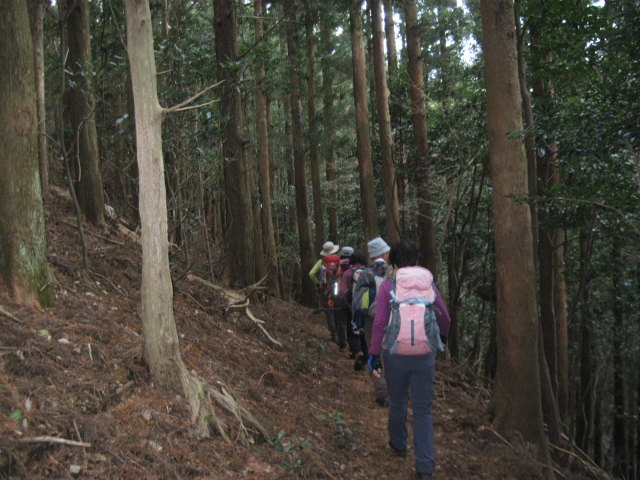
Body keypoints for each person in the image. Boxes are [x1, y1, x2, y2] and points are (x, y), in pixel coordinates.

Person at [369, 239, 451, 480]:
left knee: (397, 401)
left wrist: (374, 355)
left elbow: (379, 323)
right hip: (424, 356)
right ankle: (425, 466)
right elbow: (445, 318)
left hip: (394, 355)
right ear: (417, 261)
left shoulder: (388, 288)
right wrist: (442, 340)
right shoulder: (429, 287)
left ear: (393, 262)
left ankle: (398, 444)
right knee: (423, 411)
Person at [352, 236, 391, 406]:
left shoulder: (365, 274)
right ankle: (392, 390)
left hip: (372, 320)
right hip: (393, 320)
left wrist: (356, 321)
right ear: (383, 253)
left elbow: (356, 300)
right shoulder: (393, 272)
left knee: (375, 354)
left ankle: (382, 392)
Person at [309, 241, 341, 345]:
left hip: (326, 291)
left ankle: (334, 334)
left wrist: (319, 283)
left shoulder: (321, 262)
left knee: (329, 312)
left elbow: (311, 274)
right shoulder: (339, 261)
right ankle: (341, 335)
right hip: (338, 291)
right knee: (338, 311)